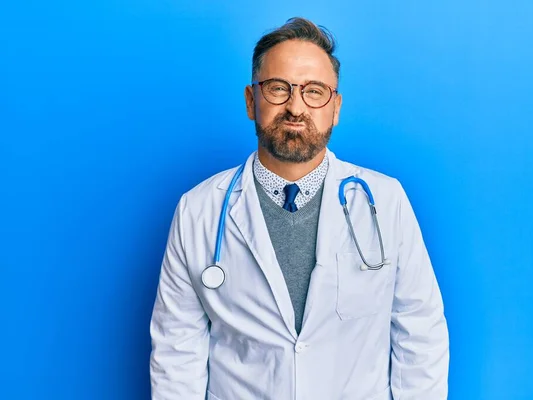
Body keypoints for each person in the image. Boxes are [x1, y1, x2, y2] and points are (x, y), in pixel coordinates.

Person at [150, 17, 449, 400]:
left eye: (314, 91)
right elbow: (177, 354)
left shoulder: (385, 202)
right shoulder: (198, 210)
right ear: (250, 101)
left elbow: (420, 333)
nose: (295, 107)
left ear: (335, 107)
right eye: (278, 89)